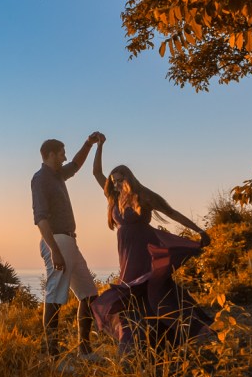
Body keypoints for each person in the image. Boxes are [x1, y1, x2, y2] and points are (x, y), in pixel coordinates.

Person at [91, 145, 216, 347]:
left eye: (121, 180)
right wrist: (99, 146)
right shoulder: (113, 197)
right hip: (126, 251)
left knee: (152, 288)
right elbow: (97, 172)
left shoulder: (143, 196)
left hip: (144, 247)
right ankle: (147, 337)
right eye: (114, 181)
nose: (117, 184)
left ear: (129, 178)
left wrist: (199, 230)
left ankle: (185, 329)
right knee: (133, 292)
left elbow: (172, 213)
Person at [31, 132, 105, 360]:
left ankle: (85, 350)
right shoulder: (41, 179)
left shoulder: (58, 175)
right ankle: (53, 357)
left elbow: (76, 164)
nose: (65, 157)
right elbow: (40, 218)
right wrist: (54, 250)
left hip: (69, 241)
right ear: (50, 154)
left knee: (89, 294)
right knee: (54, 296)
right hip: (57, 240)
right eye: (62, 152)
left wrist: (89, 144)